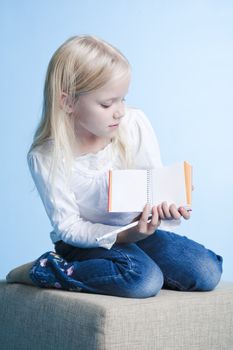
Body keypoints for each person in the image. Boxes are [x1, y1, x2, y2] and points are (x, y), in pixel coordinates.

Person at [6, 35, 223, 298]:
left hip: (137, 231)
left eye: (123, 99)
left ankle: (123, 267)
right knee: (142, 279)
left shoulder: (133, 123)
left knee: (207, 271)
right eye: (107, 104)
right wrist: (123, 237)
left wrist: (168, 202)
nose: (119, 111)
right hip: (85, 241)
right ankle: (43, 269)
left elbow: (152, 187)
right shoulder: (46, 156)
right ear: (67, 102)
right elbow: (70, 228)